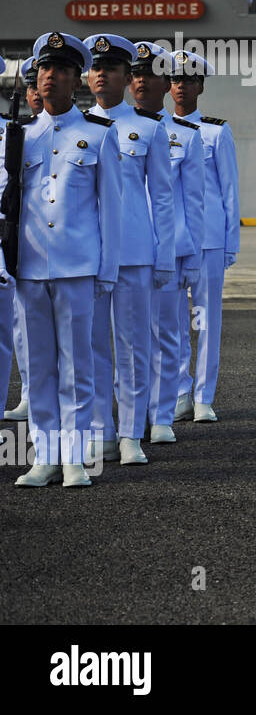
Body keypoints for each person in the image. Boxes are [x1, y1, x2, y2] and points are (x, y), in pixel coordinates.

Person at [13, 32, 121, 488]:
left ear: (77, 78)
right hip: (29, 267)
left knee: (78, 366)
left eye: (60, 69)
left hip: (78, 268)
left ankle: (75, 458)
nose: (50, 76)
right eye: (44, 69)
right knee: (37, 368)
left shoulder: (98, 135)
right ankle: (44, 456)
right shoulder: (20, 137)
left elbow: (112, 210)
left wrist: (108, 272)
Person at [85, 34, 175, 464]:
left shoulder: (147, 128)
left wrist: (165, 255)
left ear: (125, 78)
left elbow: (163, 197)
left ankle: (130, 433)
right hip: (87, 253)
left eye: (112, 69)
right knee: (93, 346)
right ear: (87, 76)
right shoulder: (76, 124)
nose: (102, 74)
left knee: (134, 345)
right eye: (95, 67)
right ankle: (101, 429)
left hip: (135, 252)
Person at [130, 43, 203, 439]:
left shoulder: (184, 135)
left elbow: (193, 202)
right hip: (124, 250)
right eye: (136, 74)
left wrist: (190, 257)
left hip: (168, 249)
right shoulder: (110, 129)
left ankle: (165, 409)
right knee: (125, 338)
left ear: (164, 82)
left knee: (166, 332)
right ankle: (127, 415)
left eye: (151, 74)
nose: (142, 81)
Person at [169, 51, 237, 423]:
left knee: (207, 319)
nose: (181, 86)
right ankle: (180, 391)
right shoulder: (158, 129)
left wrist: (231, 244)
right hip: (173, 239)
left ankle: (203, 397)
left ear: (201, 86)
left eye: (189, 80)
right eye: (176, 80)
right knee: (175, 320)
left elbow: (229, 191)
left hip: (209, 238)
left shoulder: (215, 131)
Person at [4, 57, 40, 423]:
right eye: (29, 88)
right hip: (15, 237)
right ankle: (31, 392)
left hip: (49, 244)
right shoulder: (18, 131)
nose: (34, 94)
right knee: (22, 327)